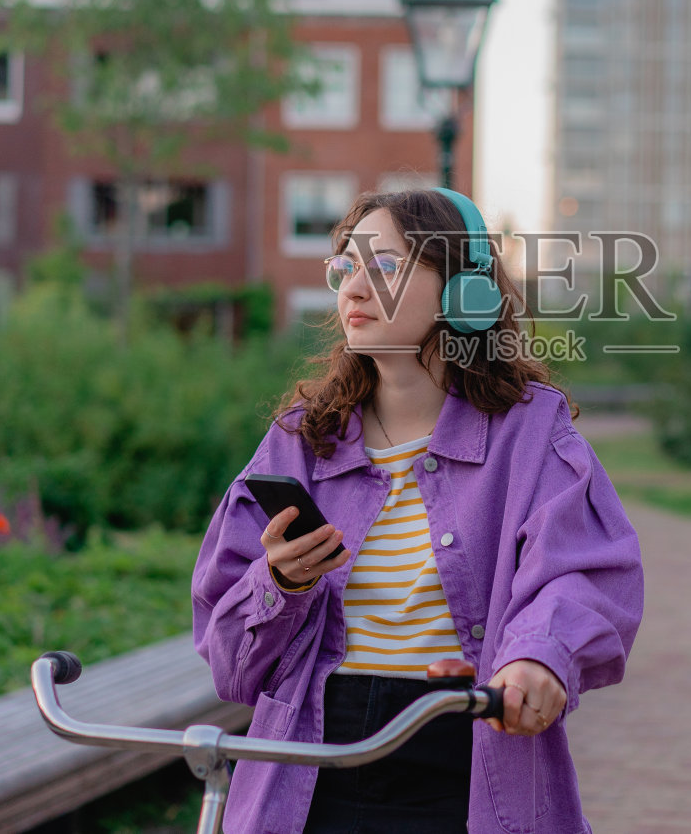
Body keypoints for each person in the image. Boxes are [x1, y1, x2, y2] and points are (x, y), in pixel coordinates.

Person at [192, 186, 645, 834]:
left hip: (469, 754)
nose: (353, 288)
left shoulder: (530, 431)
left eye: (384, 267)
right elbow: (230, 662)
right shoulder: (300, 439)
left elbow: (580, 572)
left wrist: (537, 657)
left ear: (463, 291)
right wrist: (279, 581)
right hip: (311, 766)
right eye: (345, 267)